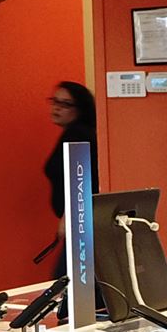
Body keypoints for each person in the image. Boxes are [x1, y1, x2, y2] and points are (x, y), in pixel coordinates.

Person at [42, 79, 99, 225]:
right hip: (81, 219)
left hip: (79, 222)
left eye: (66, 104)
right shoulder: (79, 133)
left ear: (81, 109)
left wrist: (69, 217)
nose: (57, 108)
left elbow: (80, 182)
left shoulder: (77, 134)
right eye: (55, 101)